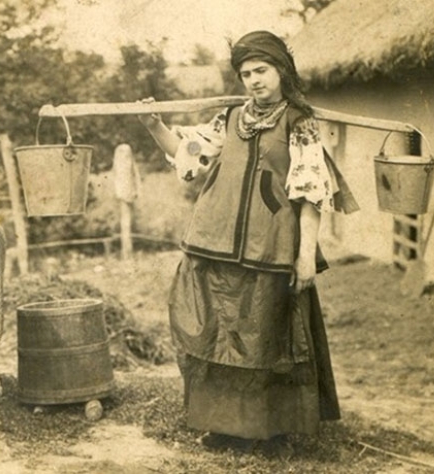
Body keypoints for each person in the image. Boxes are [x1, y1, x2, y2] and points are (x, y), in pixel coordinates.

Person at [138, 30, 358, 449]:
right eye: (245, 74)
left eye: (261, 71)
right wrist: (155, 126)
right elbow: (190, 158)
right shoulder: (231, 118)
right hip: (214, 243)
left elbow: (310, 195)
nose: (254, 80)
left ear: (280, 71)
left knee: (265, 339)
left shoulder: (300, 122)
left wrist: (305, 256)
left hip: (269, 248)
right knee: (217, 332)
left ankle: (269, 433)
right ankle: (222, 427)